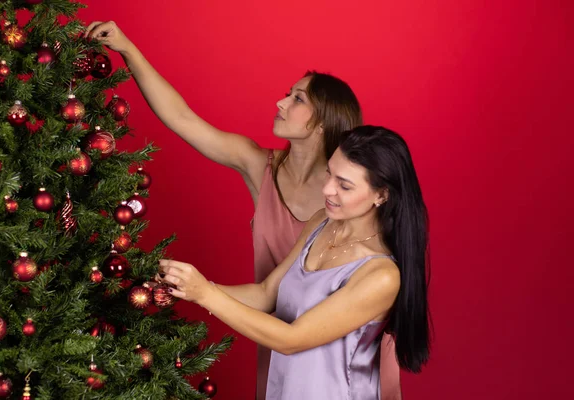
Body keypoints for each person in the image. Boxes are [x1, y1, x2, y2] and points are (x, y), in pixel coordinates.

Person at [85, 21, 403, 400]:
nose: (280, 102)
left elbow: (306, 329)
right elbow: (182, 119)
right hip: (267, 329)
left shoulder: (352, 204)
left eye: (298, 99)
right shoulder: (270, 173)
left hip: (335, 353)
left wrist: (205, 293)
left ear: (323, 122)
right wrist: (127, 48)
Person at [158, 126, 431, 399]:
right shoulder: (319, 223)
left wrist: (205, 294)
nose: (327, 189)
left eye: (344, 185)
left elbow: (291, 340)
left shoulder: (381, 275)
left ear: (382, 195)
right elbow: (266, 295)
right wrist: (185, 285)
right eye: (329, 174)